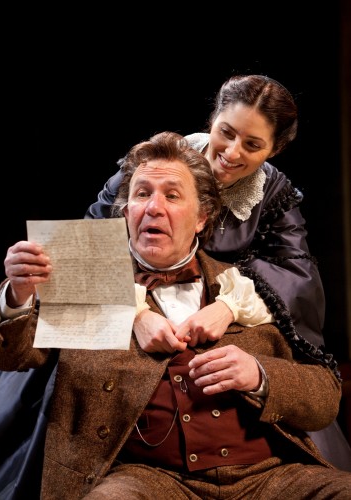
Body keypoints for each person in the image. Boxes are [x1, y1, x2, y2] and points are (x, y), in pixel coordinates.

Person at [0, 131, 350, 499]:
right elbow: (3, 353)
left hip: (268, 476)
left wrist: (259, 374)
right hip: (147, 480)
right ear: (126, 212)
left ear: (203, 217)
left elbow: (323, 399)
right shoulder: (84, 272)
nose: (153, 207)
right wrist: (18, 292)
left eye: (172, 195)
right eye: (142, 194)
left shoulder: (245, 286)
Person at [84, 74, 351, 469]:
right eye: (226, 132)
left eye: (253, 144)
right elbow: (88, 243)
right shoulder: (154, 165)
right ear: (213, 119)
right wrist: (133, 313)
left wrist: (228, 306)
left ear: (274, 150)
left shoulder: (272, 192)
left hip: (224, 324)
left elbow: (294, 271)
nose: (231, 151)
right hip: (139, 304)